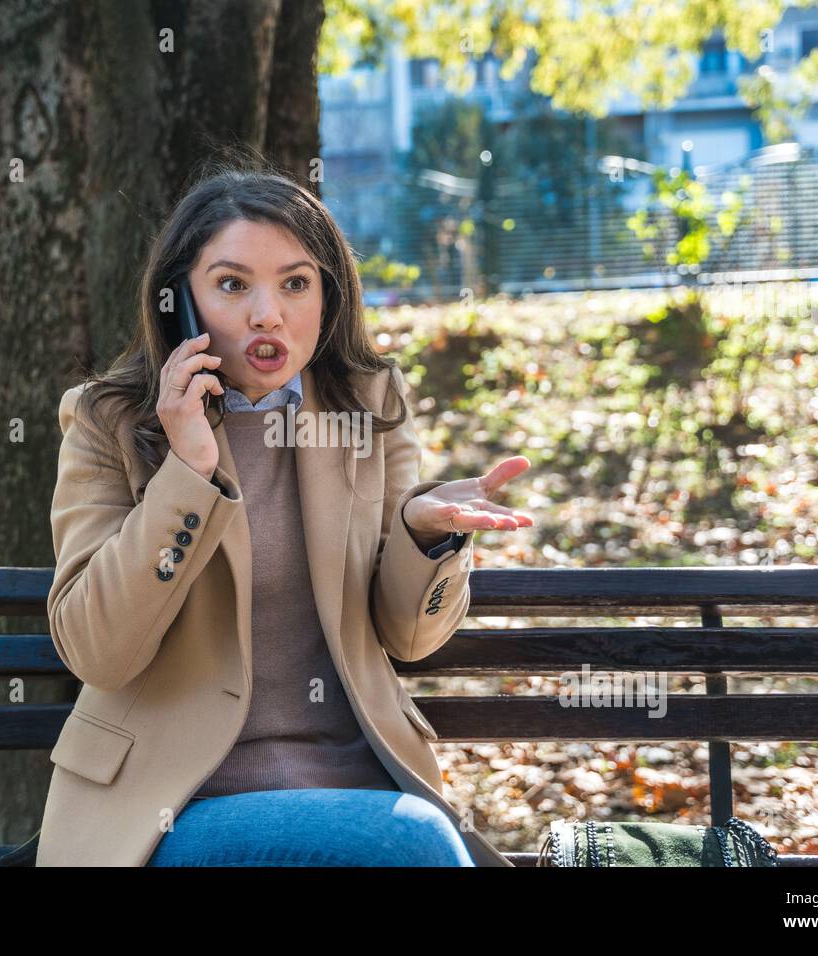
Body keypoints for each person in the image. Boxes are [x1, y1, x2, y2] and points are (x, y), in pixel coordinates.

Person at [36, 153, 532, 867]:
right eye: (232, 284)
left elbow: (409, 638)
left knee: (406, 840)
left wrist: (423, 538)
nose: (267, 314)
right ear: (180, 298)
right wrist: (188, 470)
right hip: (178, 805)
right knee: (412, 846)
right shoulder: (107, 421)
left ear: (326, 297)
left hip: (360, 785)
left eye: (295, 284)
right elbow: (97, 650)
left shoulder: (368, 406)